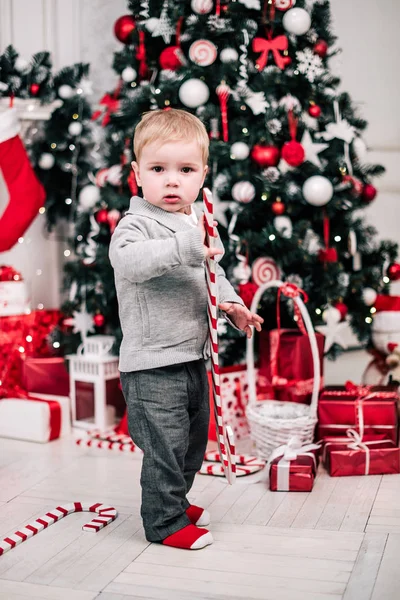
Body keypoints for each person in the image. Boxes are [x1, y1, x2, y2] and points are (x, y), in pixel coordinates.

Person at [109, 108, 263, 550]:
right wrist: (185, 245)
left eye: (185, 170)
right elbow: (130, 263)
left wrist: (233, 305)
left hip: (193, 357)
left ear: (203, 175)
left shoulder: (195, 224)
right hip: (153, 364)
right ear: (138, 174)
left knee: (194, 443)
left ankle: (175, 499)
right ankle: (164, 522)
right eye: (159, 169)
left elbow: (210, 275)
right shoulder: (134, 226)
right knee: (165, 447)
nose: (172, 181)